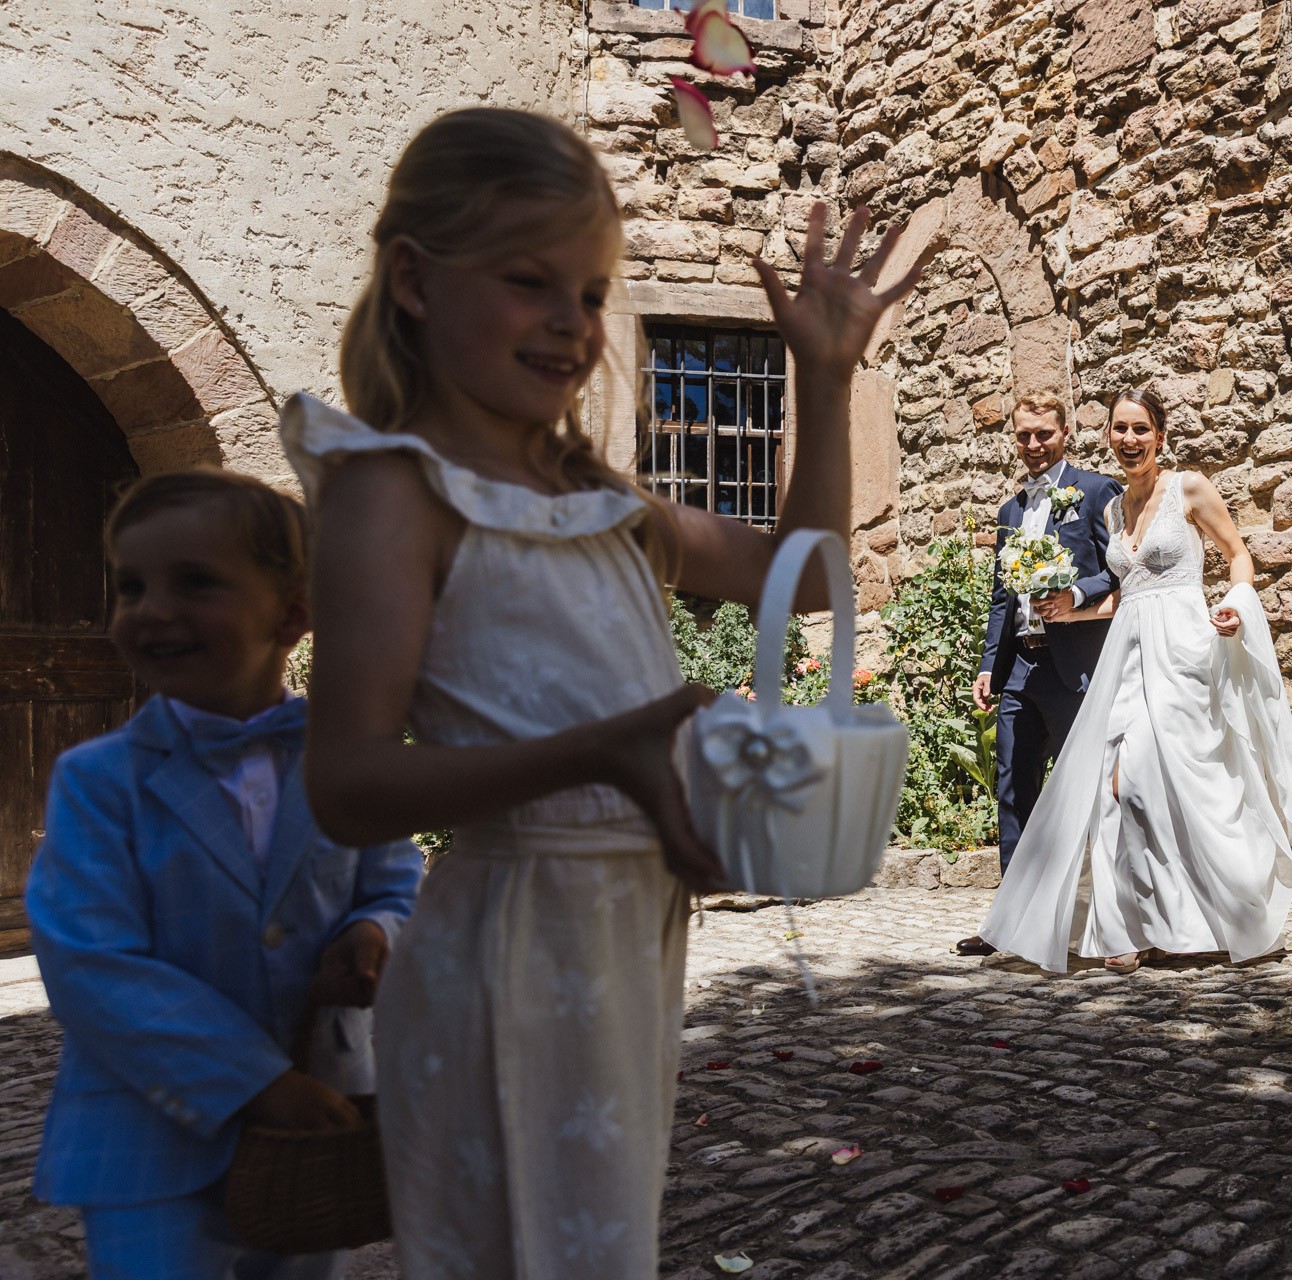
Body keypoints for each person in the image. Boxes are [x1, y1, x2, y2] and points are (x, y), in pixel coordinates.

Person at [283, 108, 921, 1279]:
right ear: (415, 280)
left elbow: (805, 571)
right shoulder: (396, 490)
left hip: (621, 950)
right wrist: (603, 751)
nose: (573, 324)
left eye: (590, 293)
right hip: (508, 956)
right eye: (529, 282)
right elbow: (346, 782)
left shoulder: (605, 502)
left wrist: (826, 378)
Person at [27, 470, 423, 1280]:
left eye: (195, 582)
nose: (152, 610)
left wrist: (373, 931)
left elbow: (394, 880)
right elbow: (91, 963)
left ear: (293, 615)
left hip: (320, 1121)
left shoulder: (347, 757)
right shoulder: (97, 780)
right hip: (147, 1142)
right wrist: (253, 1081)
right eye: (131, 587)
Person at [973, 389, 1292, 973]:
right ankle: (1131, 928)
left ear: (1159, 435)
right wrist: (1070, 610)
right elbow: (1126, 593)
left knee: (1186, 784)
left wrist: (1236, 603)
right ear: (1108, 436)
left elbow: (1238, 554)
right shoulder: (1114, 511)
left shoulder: (1189, 488)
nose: (1130, 439)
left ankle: (1223, 914)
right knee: (1118, 787)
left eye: (1140, 429)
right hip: (1128, 654)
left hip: (1184, 650)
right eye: (1120, 429)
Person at [954, 393, 1123, 957]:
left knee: (1091, 790)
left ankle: (1106, 920)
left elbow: (1119, 571)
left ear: (1065, 433)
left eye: (1043, 434)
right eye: (1024, 435)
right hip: (1022, 665)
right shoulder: (1009, 511)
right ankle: (1011, 923)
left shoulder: (1095, 491)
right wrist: (989, 666)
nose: (1033, 445)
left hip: (1076, 664)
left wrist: (1074, 594)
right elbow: (1001, 599)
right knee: (1012, 785)